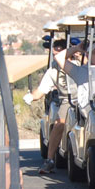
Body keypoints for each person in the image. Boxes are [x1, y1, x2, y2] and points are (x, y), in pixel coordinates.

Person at [32, 39, 71, 174]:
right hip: (68, 99)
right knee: (59, 123)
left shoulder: (79, 64)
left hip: (86, 98)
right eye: (54, 54)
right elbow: (41, 90)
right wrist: (31, 96)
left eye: (59, 53)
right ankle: (49, 160)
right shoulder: (53, 70)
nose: (56, 56)